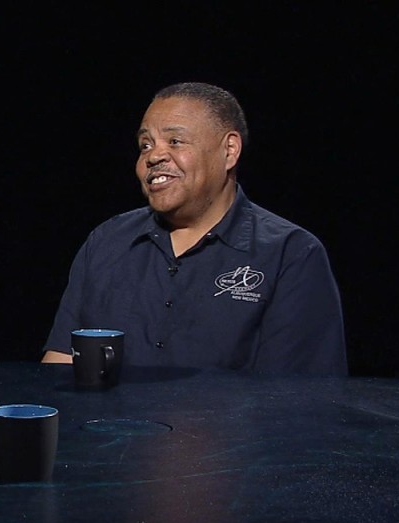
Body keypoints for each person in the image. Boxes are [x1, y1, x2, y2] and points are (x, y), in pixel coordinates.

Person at [42, 82, 347, 376]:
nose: (154, 156)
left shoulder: (291, 254)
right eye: (145, 144)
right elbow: (59, 363)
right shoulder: (106, 242)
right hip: (110, 430)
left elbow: (299, 402)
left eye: (174, 141)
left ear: (229, 150)